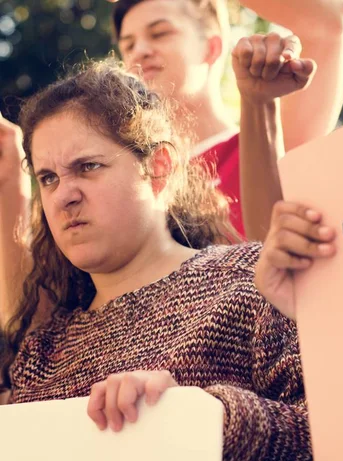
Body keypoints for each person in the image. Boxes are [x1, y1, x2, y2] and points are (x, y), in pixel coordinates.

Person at [0, 58, 313, 460]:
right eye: (48, 178)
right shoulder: (42, 351)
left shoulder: (252, 280)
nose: (64, 196)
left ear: (158, 167)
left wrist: (204, 417)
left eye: (88, 167)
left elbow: (342, 426)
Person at [112, 0, 343, 239]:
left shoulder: (271, 142)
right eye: (128, 46)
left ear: (212, 48)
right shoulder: (136, 185)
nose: (139, 52)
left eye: (159, 33)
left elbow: (328, 21)